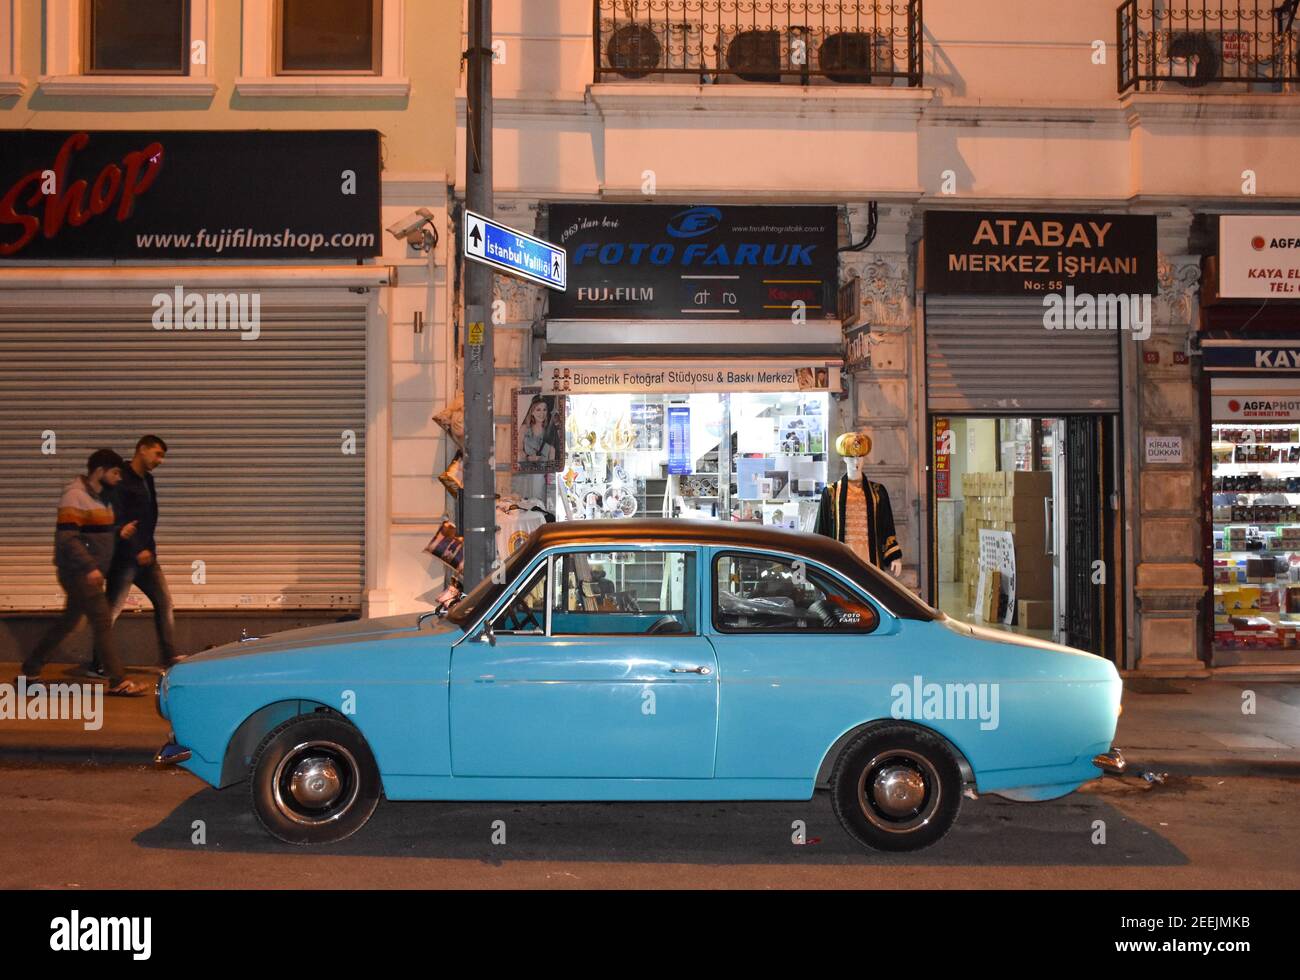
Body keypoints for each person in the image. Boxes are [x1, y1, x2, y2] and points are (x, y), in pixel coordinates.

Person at [20, 450, 149, 696]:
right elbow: (67, 538)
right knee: (102, 620)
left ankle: (30, 669)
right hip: (77, 571)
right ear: (99, 471)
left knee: (68, 623)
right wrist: (89, 566)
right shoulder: (75, 496)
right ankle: (118, 680)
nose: (118, 478)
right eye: (114, 473)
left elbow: (96, 531)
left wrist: (118, 533)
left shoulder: (102, 497)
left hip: (89, 572)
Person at [104, 435, 182, 670]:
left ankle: (169, 657)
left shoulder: (148, 480)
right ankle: (99, 662)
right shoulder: (121, 479)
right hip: (124, 560)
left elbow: (149, 519)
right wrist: (136, 549)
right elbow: (118, 519)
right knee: (111, 611)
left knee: (165, 602)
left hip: (147, 557)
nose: (161, 460)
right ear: (142, 450)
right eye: (157, 454)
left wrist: (149, 549)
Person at [521, 396, 558, 464]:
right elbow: (517, 450)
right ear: (532, 412)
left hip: (543, 473)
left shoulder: (549, 431)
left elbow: (552, 452)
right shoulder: (524, 428)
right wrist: (527, 457)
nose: (542, 413)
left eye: (544, 410)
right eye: (538, 410)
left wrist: (549, 472)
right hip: (526, 471)